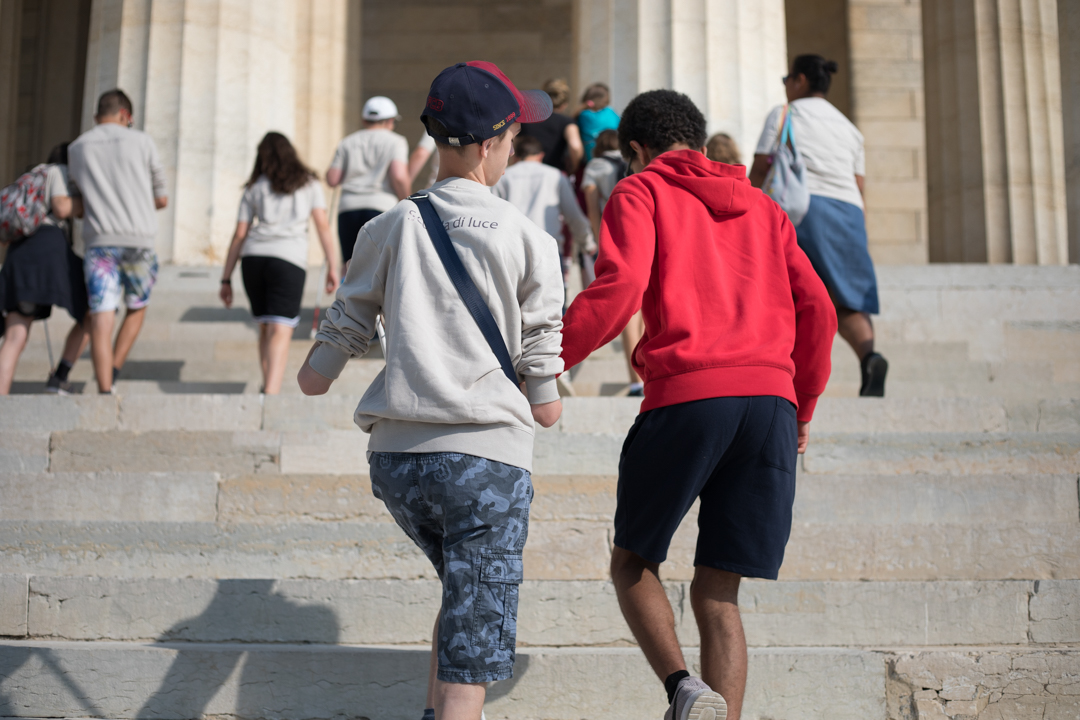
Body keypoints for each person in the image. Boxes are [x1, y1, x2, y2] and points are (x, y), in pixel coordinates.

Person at [297, 61, 564, 720]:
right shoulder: (527, 236)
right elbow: (544, 366)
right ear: (487, 145)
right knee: (474, 633)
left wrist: (318, 371)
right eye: (510, 139)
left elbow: (344, 327)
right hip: (485, 457)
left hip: (398, 463)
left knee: (461, 594)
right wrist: (547, 397)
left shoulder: (387, 226)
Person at [560, 89, 836, 720]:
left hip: (689, 393)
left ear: (635, 149)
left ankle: (683, 688)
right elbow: (816, 306)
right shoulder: (764, 208)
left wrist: (547, 358)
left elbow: (622, 286)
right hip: (770, 403)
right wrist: (805, 405)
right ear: (697, 136)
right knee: (720, 591)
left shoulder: (640, 191)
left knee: (632, 561)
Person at [749, 54, 887, 396]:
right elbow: (859, 184)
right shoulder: (849, 129)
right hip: (849, 212)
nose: (785, 87)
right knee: (849, 297)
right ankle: (869, 356)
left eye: (786, 80)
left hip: (804, 210)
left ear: (800, 81)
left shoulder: (785, 115)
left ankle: (785, 375)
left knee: (791, 293)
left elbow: (760, 168)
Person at [218, 132, 338, 395]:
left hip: (253, 260)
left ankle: (267, 386)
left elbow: (239, 234)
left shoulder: (254, 187)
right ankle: (270, 394)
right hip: (288, 259)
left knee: (265, 326)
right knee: (280, 329)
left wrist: (226, 278)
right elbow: (322, 226)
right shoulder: (309, 184)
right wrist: (333, 266)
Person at [68, 89, 168, 395]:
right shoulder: (143, 141)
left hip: (100, 243)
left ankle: (104, 387)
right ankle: (113, 367)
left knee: (102, 314)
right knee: (136, 306)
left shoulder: (78, 147)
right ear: (126, 115)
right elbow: (161, 198)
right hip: (139, 240)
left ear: (98, 116)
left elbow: (79, 206)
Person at [0, 142, 90, 395]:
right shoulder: (59, 171)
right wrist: (86, 203)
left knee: (15, 335)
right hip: (48, 250)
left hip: (20, 254)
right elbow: (61, 206)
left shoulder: (32, 175)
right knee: (96, 309)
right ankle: (61, 375)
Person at [578, 129, 642, 396]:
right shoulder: (635, 161)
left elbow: (593, 206)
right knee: (643, 307)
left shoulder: (596, 165)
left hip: (616, 238)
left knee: (628, 312)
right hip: (642, 233)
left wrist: (598, 239)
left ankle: (636, 379)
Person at [493, 134, 594, 289]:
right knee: (554, 309)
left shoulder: (504, 177)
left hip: (512, 251)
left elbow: (494, 212)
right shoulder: (555, 175)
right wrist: (587, 243)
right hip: (548, 250)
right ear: (541, 155)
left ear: (515, 156)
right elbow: (573, 215)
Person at [327, 96, 410, 271]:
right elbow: (399, 175)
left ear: (364, 120)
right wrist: (407, 199)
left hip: (348, 208)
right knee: (379, 265)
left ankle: (347, 298)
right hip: (381, 206)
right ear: (389, 121)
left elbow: (332, 179)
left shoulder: (347, 142)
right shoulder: (396, 141)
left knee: (350, 263)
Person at [520, 78, 584, 174]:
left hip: (524, 172)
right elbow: (575, 146)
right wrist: (574, 167)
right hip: (555, 174)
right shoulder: (567, 122)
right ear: (564, 104)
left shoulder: (527, 119)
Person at [576, 82, 620, 162]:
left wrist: (584, 106)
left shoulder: (583, 115)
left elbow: (571, 119)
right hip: (613, 156)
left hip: (590, 157)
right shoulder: (611, 112)